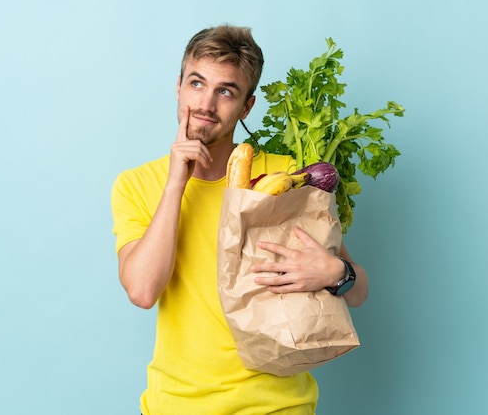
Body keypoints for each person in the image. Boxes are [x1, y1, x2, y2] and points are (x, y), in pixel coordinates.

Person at [111, 24, 369, 415]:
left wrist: (336, 272)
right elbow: (143, 291)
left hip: (277, 406)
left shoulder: (286, 177)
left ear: (246, 106)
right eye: (197, 84)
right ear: (178, 87)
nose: (206, 104)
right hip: (176, 405)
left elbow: (360, 291)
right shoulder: (137, 185)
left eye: (226, 91)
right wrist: (176, 183)